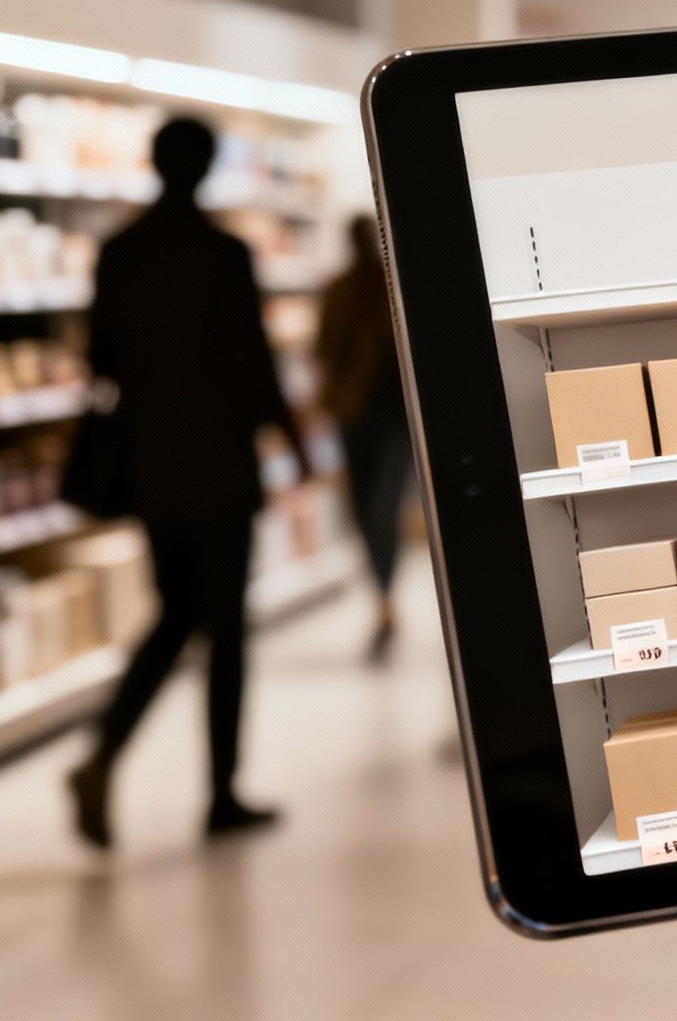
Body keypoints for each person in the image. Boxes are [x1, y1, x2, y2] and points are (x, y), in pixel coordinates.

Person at [68, 117, 308, 848]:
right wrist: (292, 444)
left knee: (175, 613)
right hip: (220, 465)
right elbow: (252, 363)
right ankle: (221, 795)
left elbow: (100, 359)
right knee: (225, 630)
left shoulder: (119, 252)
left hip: (152, 467)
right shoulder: (223, 253)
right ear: (206, 168)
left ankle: (105, 750)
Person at [316, 215, 414, 663]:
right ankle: (383, 596)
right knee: (373, 509)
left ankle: (385, 599)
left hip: (373, 415)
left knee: (374, 509)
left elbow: (323, 351)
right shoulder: (371, 288)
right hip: (373, 415)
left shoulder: (364, 288)